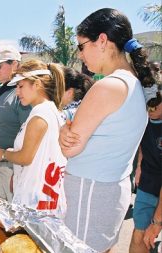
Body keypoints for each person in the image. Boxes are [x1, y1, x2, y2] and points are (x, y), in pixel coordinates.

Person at [58, 8, 155, 252]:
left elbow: (70, 148)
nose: (81, 55)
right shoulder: (135, 82)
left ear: (102, 41)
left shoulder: (108, 86)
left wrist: (63, 127)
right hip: (109, 189)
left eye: (81, 46)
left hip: (89, 192)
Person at [0, 60, 67, 218]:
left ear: (37, 84)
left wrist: (2, 154)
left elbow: (26, 157)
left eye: (21, 86)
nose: (17, 93)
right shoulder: (50, 110)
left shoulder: (40, 115)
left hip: (36, 199)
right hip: (45, 194)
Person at [0, 45, 32, 201]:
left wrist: (18, 172)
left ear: (14, 64)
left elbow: (28, 136)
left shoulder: (21, 93)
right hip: (0, 165)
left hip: (12, 167)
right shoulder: (1, 89)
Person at [129, 90, 161, 253]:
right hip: (148, 183)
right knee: (139, 236)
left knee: (152, 234)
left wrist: (156, 223)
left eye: (155, 104)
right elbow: (144, 141)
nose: (150, 108)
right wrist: (140, 165)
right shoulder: (143, 118)